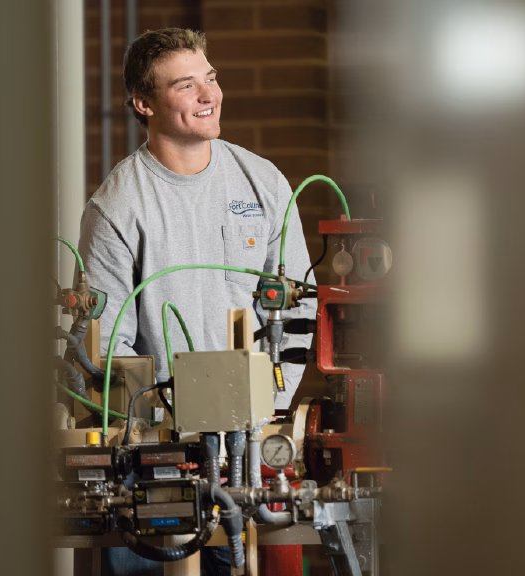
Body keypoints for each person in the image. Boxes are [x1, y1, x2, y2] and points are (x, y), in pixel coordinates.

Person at [77, 28, 315, 576]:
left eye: (210, 77)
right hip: (156, 460)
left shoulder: (263, 183)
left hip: (252, 444)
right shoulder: (118, 207)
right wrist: (165, 436)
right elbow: (105, 347)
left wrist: (265, 408)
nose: (210, 95)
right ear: (144, 103)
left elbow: (297, 310)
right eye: (186, 85)